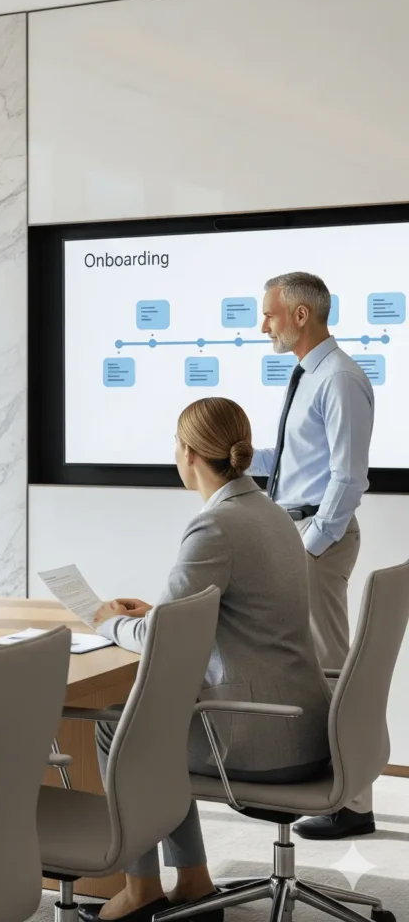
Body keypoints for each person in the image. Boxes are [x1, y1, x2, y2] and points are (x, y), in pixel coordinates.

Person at [80, 397, 331, 922]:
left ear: (190, 453)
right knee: (163, 721)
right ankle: (192, 881)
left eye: (175, 443)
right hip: (308, 726)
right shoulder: (273, 514)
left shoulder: (214, 527)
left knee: (122, 726)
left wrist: (104, 620)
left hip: (262, 740)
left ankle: (141, 887)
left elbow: (159, 638)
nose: (174, 453)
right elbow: (241, 614)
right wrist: (165, 614)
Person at [253, 271, 375, 839]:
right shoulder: (310, 374)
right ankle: (331, 786)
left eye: (270, 314)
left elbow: (349, 479)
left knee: (331, 668)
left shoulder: (340, 378)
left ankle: (351, 803)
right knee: (315, 667)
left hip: (316, 541)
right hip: (295, 534)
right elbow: (303, 460)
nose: (264, 325)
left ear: (301, 315)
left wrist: (310, 546)